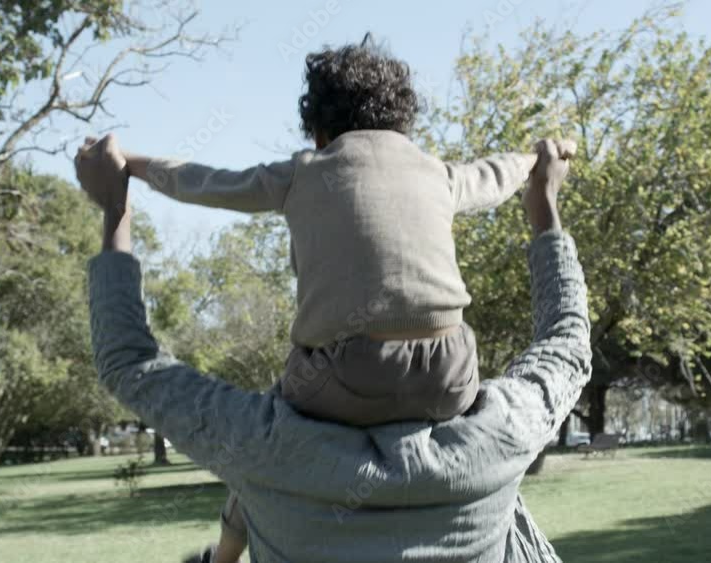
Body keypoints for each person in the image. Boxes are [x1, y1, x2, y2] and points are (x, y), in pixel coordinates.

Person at [113, 34, 538, 562]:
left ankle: (223, 556)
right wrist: (532, 157)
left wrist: (131, 165)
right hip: (449, 373)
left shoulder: (303, 171)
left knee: (263, 445)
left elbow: (204, 183)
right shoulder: (438, 172)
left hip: (341, 378)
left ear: (317, 130)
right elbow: (493, 176)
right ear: (404, 124)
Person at [76, 130, 590, 562]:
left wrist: (116, 208)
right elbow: (568, 341)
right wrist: (544, 207)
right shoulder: (502, 436)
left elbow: (130, 360)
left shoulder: (264, 448)